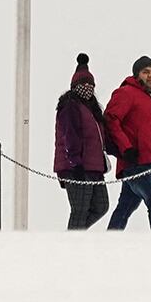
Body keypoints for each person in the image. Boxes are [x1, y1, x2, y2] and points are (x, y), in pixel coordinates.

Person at [104, 56, 151, 231]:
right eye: (146, 72)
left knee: (126, 206)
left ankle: (109, 240)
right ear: (137, 75)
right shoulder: (126, 93)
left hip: (149, 163)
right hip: (137, 162)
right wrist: (126, 148)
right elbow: (110, 119)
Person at [53, 53, 112, 230]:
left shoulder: (92, 109)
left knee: (101, 206)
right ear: (74, 87)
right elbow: (70, 136)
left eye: (90, 85)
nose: (87, 88)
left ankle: (74, 235)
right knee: (79, 209)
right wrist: (75, 163)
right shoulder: (70, 106)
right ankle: (71, 243)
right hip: (77, 168)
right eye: (83, 85)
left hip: (94, 167)